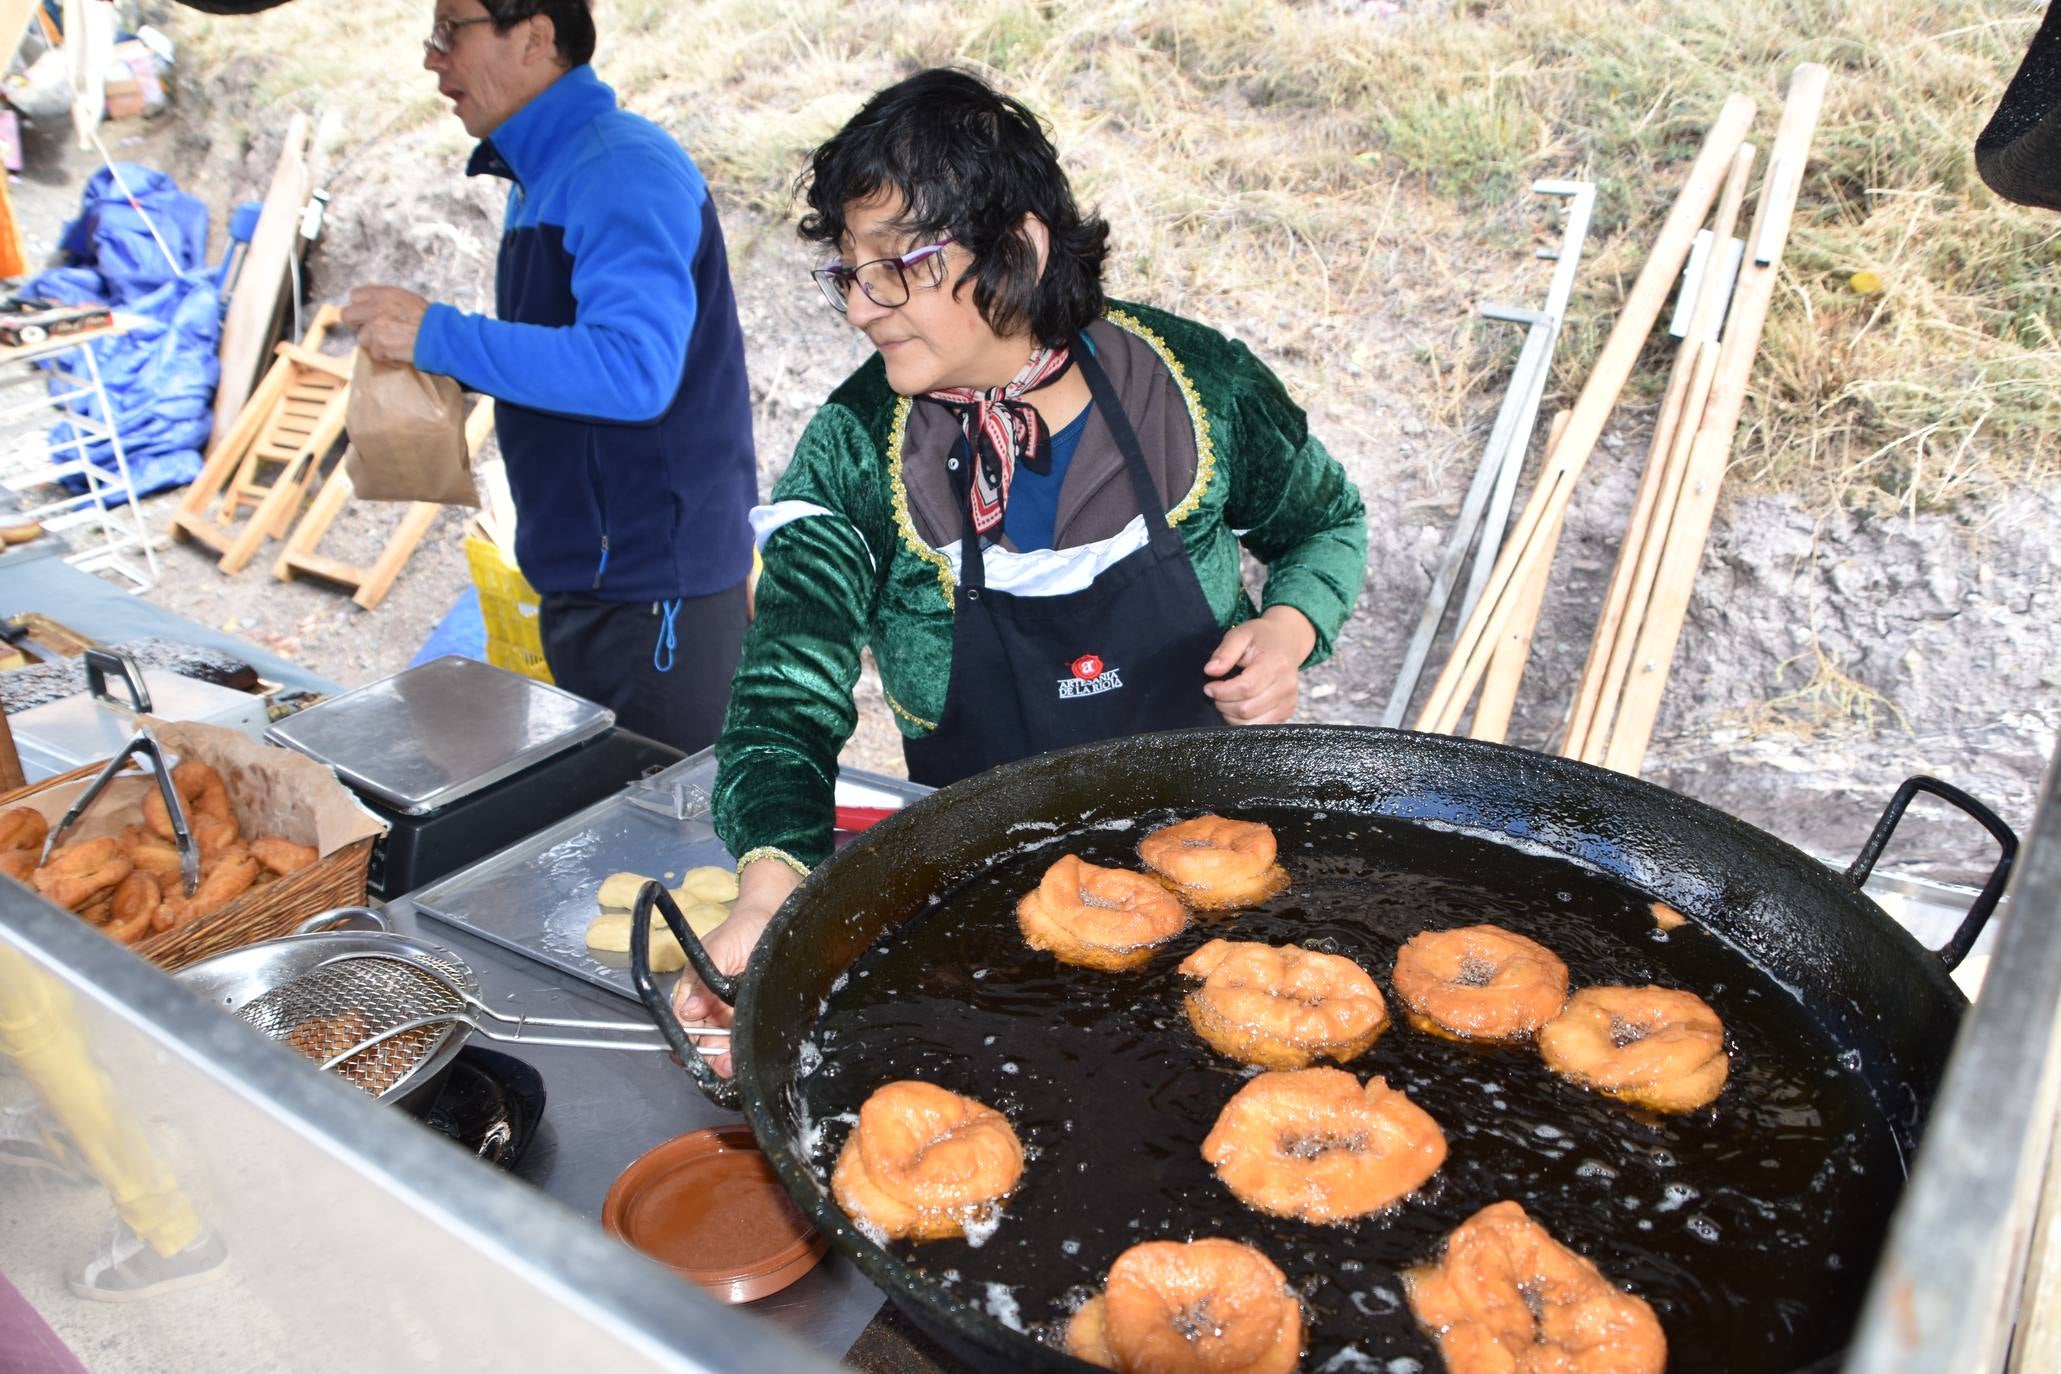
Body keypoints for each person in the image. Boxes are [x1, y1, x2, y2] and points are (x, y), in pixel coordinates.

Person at [675, 69, 1369, 1065]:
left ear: (1021, 248)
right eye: (847, 272)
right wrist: (772, 894)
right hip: (989, 915)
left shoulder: (1192, 389)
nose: (864, 307)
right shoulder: (854, 451)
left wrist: (1290, 626)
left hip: (1223, 876)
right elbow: (787, 688)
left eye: (899, 266)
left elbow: (1325, 522)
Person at [342, 1, 757, 754]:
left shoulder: (617, 169)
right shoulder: (547, 174)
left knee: (673, 840)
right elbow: (568, 356)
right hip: (595, 579)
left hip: (652, 592)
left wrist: (441, 336)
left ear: (534, 37)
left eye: (448, 33)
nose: (432, 59)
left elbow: (633, 372)